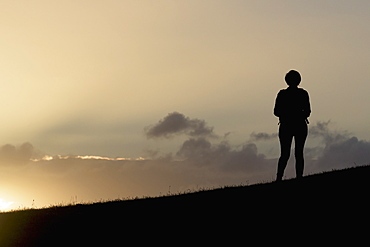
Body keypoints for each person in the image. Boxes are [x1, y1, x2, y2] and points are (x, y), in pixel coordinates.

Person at [273, 70, 311, 181]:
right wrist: (297, 114)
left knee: (287, 153)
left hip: (288, 125)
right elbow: (308, 111)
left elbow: (276, 111)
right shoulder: (302, 94)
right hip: (297, 125)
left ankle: (279, 178)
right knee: (296, 153)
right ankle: (296, 177)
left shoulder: (283, 94)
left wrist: (288, 114)